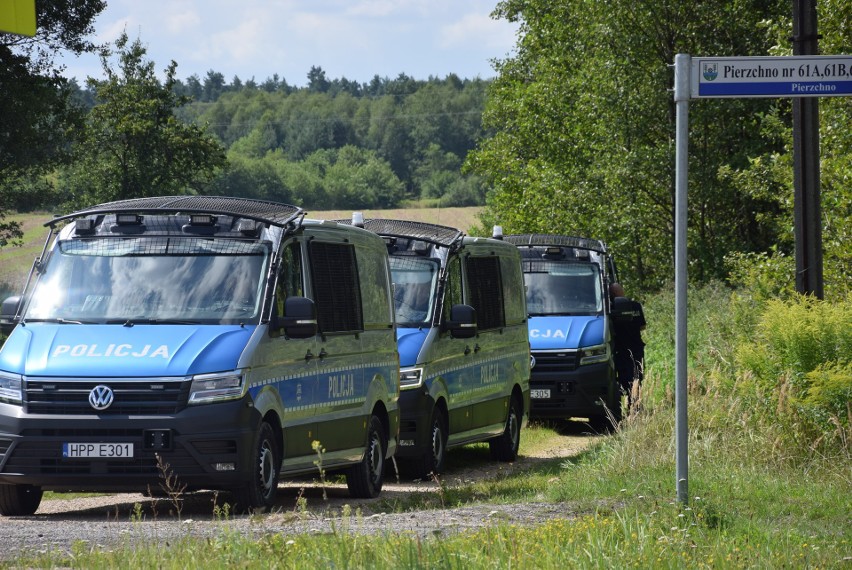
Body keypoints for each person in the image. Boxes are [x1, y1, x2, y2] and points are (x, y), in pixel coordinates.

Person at [609, 283, 646, 410]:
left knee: (624, 378)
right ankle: (636, 406)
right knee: (637, 377)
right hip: (636, 347)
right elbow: (643, 326)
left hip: (621, 349)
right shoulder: (635, 305)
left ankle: (628, 406)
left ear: (612, 294)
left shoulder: (611, 308)